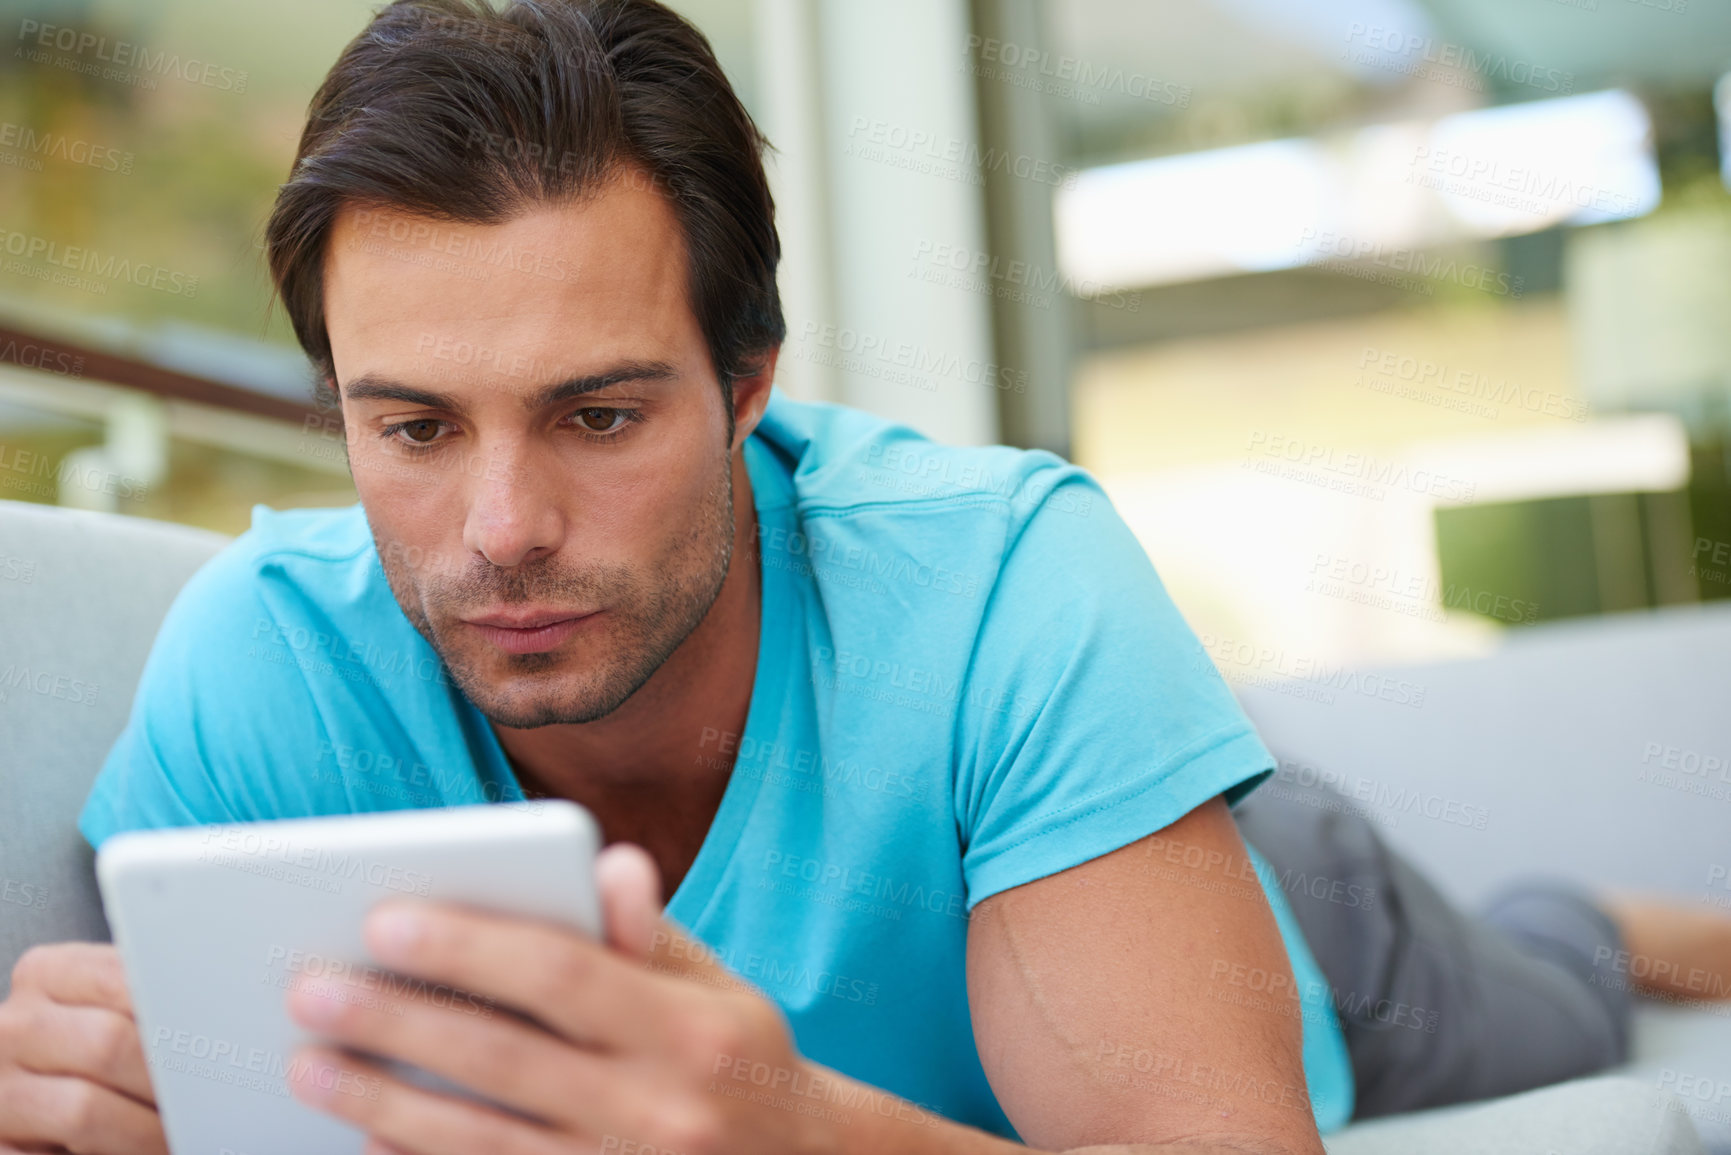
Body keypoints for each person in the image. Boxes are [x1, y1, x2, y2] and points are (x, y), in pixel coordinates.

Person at [1, 2, 1727, 1153]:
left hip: (1293, 920)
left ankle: (1614, 925)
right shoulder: (264, 669)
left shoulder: (1012, 579)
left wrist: (800, 1132)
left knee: (1545, 995)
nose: (502, 527)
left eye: (597, 414)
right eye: (414, 428)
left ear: (750, 386)